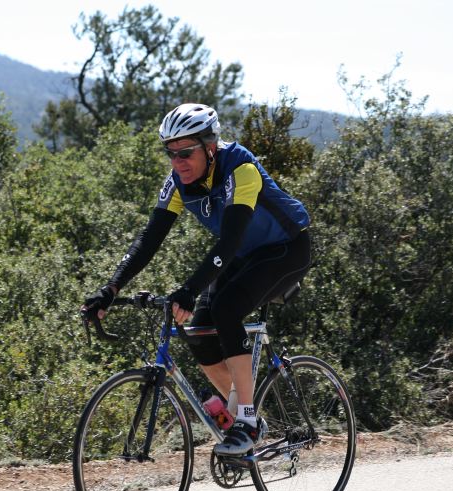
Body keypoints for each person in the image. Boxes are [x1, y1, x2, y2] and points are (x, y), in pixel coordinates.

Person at [82, 103, 312, 456]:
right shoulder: (178, 182)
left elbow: (230, 240)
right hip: (244, 257)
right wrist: (111, 288)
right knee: (199, 333)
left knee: (226, 308)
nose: (178, 162)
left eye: (185, 152)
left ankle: (247, 421)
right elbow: (148, 239)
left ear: (209, 145)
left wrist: (190, 289)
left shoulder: (241, 169)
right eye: (170, 153)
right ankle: (244, 414)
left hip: (286, 248)